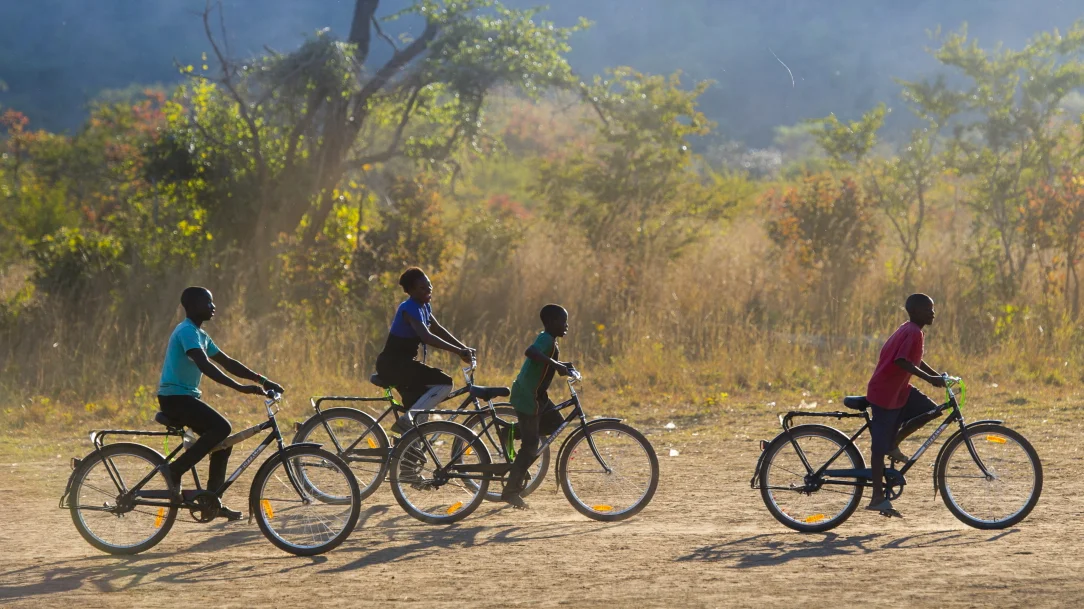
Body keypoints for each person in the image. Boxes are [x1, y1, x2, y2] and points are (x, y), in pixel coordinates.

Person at [157, 287, 284, 521]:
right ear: (193, 305)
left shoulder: (200, 335)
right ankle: (175, 470)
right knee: (222, 428)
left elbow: (228, 362)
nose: (213, 306)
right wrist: (240, 388)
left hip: (185, 398)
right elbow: (204, 364)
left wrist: (264, 381)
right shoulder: (186, 331)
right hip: (174, 399)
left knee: (223, 443)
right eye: (208, 302)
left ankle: (211, 502)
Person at [864, 293, 945, 517]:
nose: (933, 313)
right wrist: (930, 380)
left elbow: (914, 360)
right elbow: (901, 361)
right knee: (878, 448)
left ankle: (893, 442)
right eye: (929, 309)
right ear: (917, 312)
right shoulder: (912, 332)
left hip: (898, 390)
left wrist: (936, 376)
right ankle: (877, 497)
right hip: (885, 393)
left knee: (931, 410)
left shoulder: (910, 329)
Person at [375, 268, 474, 434]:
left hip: (404, 365)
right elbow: (427, 336)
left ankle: (409, 452)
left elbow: (437, 329)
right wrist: (458, 351)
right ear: (411, 291)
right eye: (422, 287)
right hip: (394, 365)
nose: (428, 289)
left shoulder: (424, 305)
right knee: (445, 383)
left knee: (422, 401)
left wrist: (463, 348)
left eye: (429, 285)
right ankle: (407, 420)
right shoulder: (409, 308)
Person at [502, 304, 574, 509]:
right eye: (562, 320)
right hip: (528, 396)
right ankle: (510, 490)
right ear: (551, 323)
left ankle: (512, 430)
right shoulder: (545, 339)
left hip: (538, 396)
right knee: (531, 445)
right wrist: (556, 364)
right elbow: (530, 351)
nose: (566, 324)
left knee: (556, 424)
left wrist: (564, 366)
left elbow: (545, 362)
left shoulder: (551, 341)